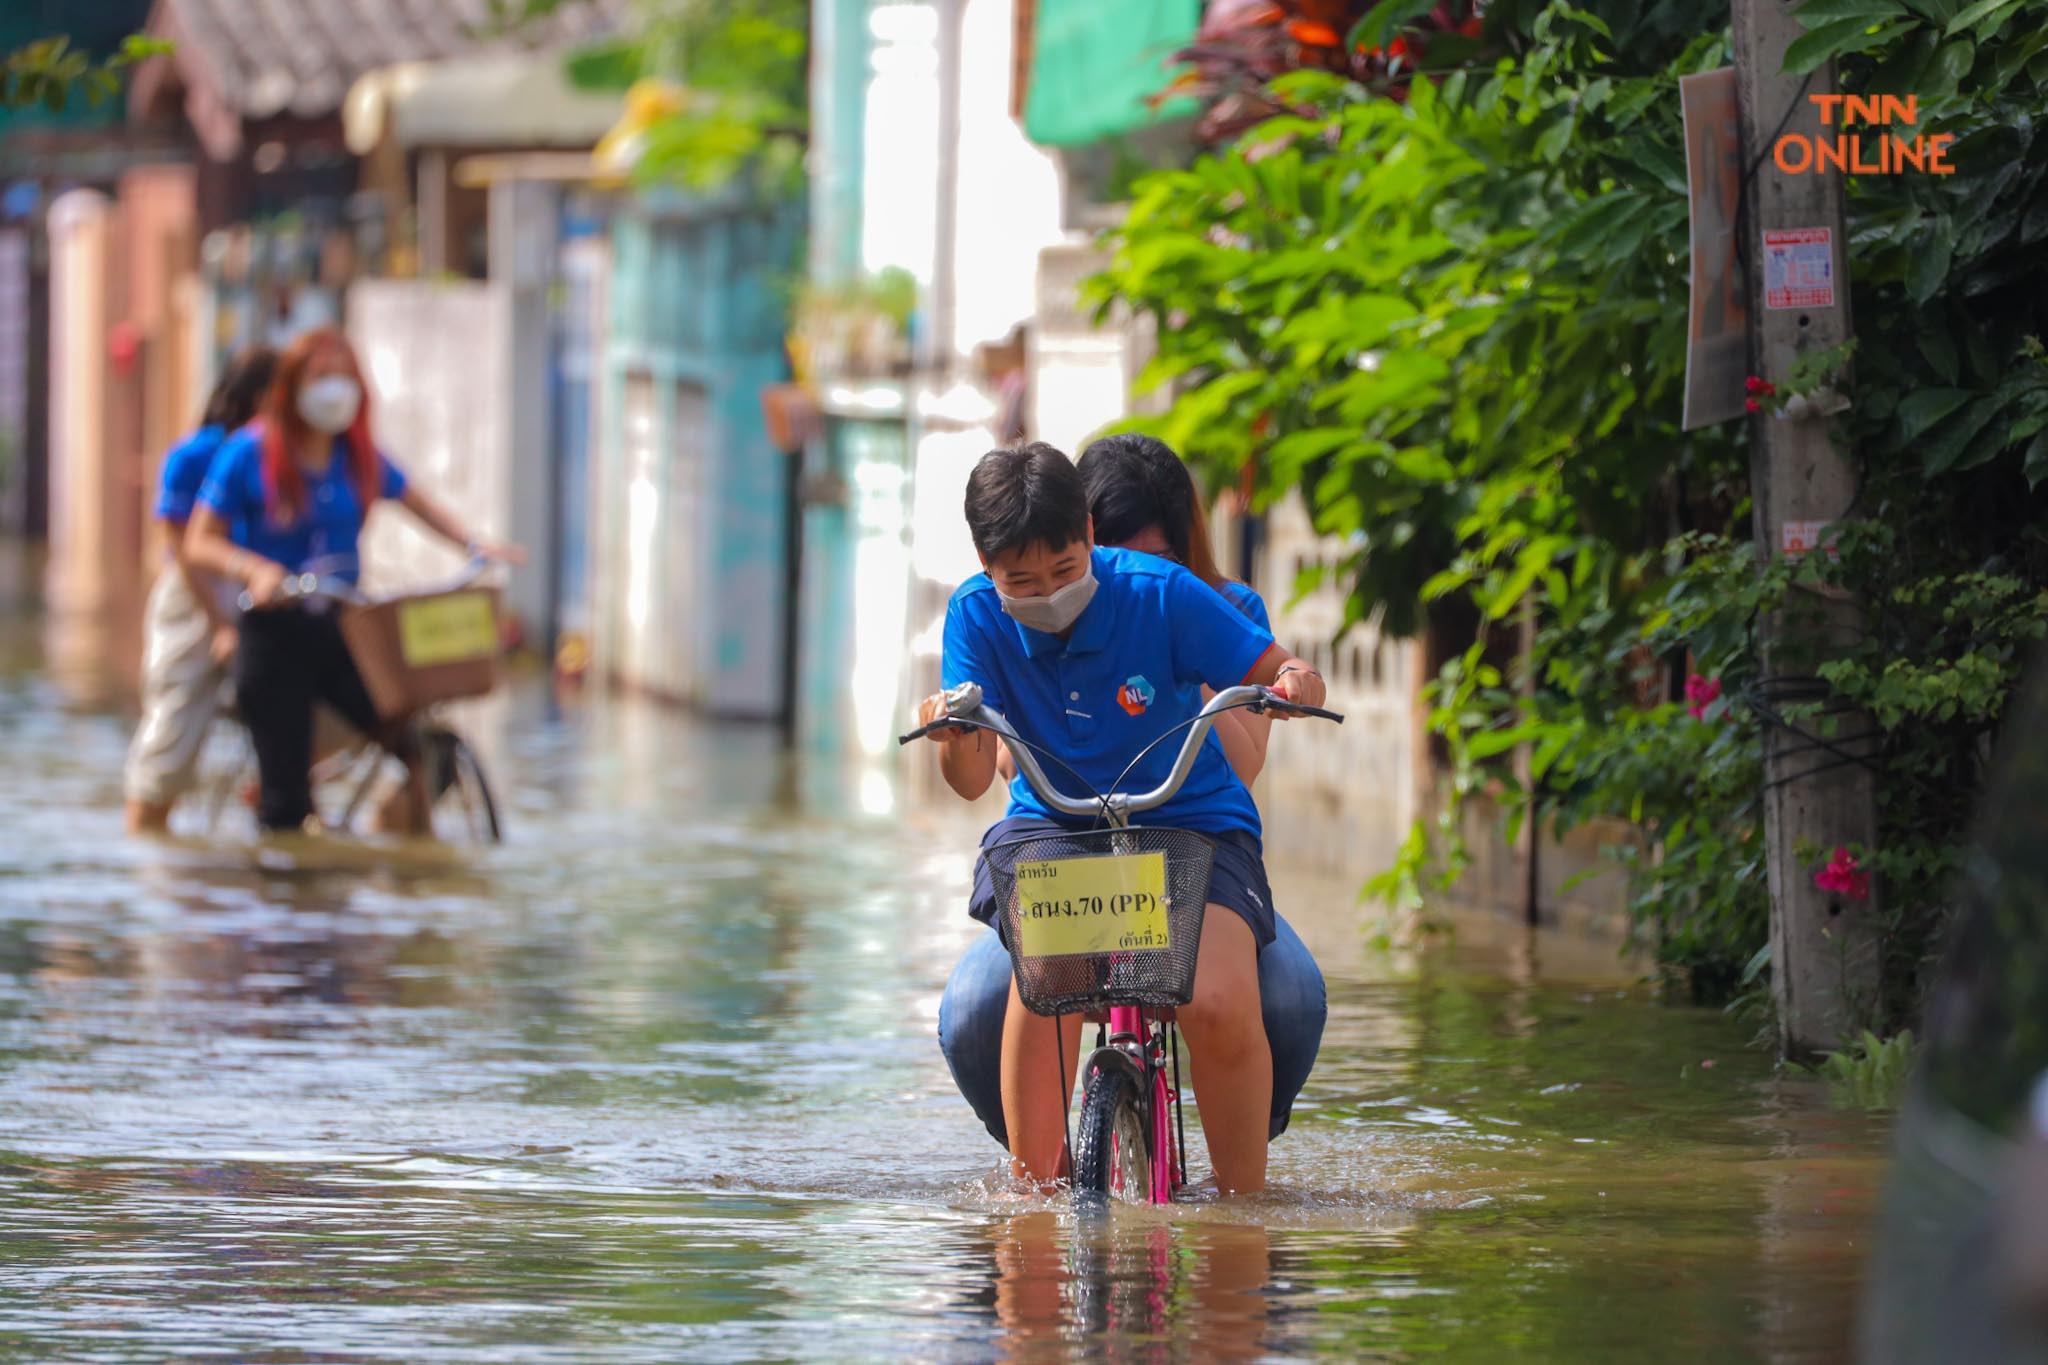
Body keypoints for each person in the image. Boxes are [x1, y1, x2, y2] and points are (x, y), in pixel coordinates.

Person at [916, 442, 1328, 1195]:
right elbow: (973, 778)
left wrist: (1292, 679)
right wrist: (954, 735)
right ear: (985, 560)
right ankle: (1036, 1217)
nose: (1045, 594)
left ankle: (1242, 1217)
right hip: (1057, 830)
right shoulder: (974, 615)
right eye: (1022, 580)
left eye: (1065, 571)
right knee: (1045, 991)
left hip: (1192, 823)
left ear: (1088, 536)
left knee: (1220, 997)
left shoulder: (1165, 592)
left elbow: (1275, 667)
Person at [182, 326, 520, 834]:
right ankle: (289, 885)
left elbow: (415, 500)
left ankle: (392, 836)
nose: (334, 389)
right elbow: (198, 541)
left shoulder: (356, 454)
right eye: (321, 377)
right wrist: (253, 568)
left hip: (343, 627)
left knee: (417, 737)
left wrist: (472, 544)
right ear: (292, 387)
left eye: (344, 377)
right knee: (286, 803)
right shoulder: (248, 452)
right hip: (273, 632)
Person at [124, 347, 279, 833]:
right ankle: (147, 834)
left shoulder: (283, 457)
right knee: (171, 733)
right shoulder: (196, 455)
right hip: (196, 598)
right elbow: (182, 548)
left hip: (258, 592)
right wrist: (217, 622)